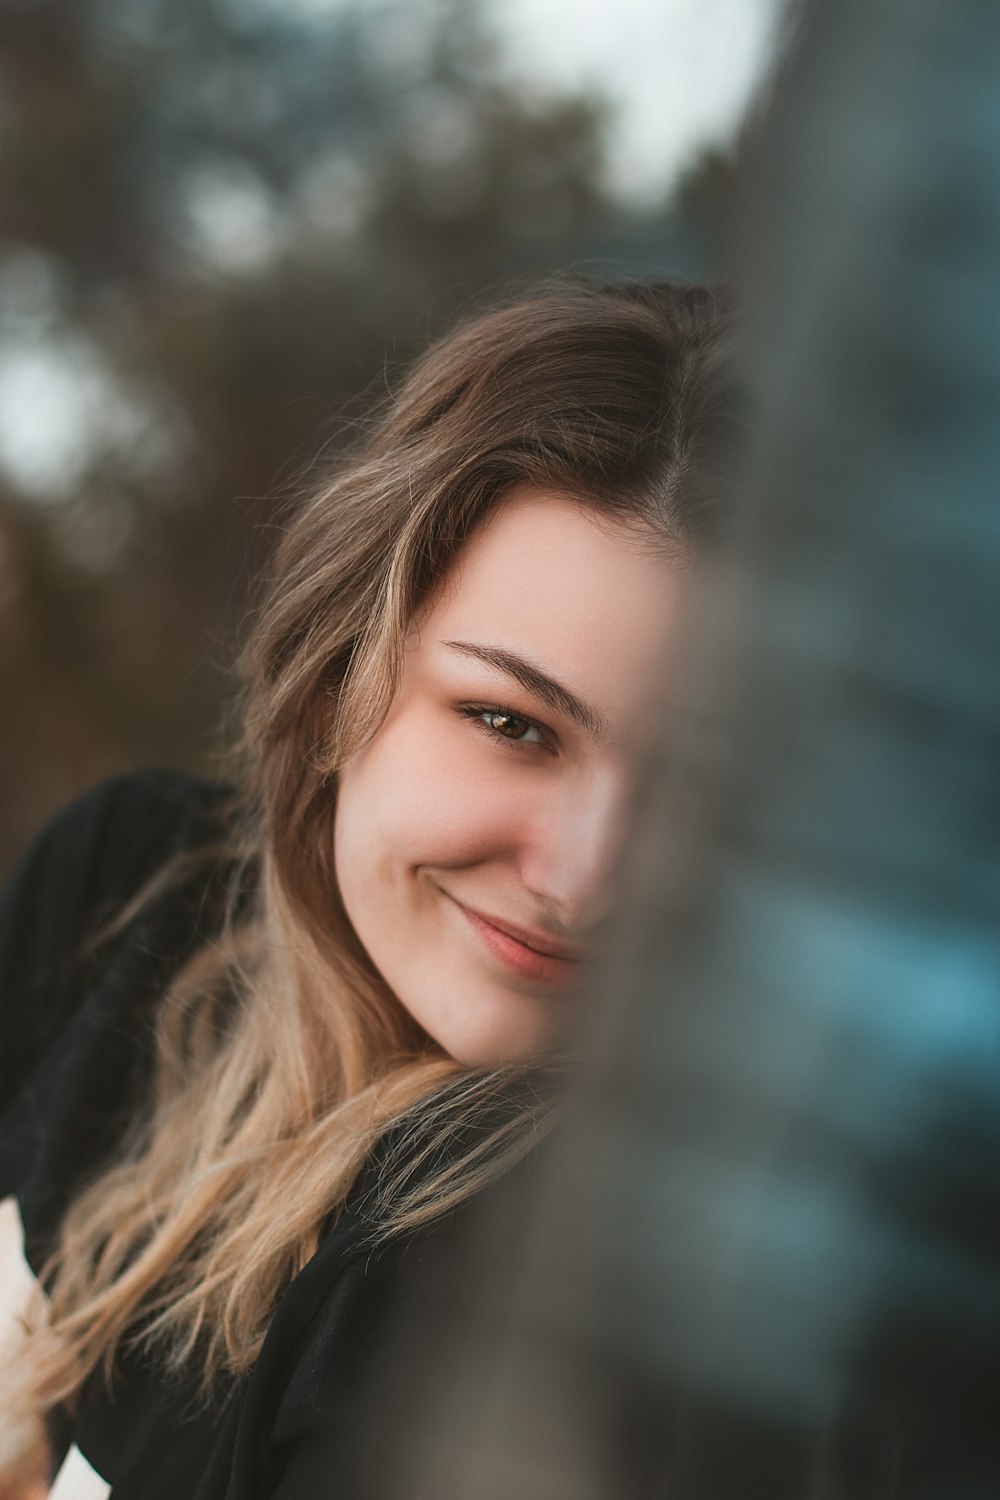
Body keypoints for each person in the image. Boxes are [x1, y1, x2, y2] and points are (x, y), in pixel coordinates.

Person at [0, 276, 738, 1500]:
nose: (586, 879)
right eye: (510, 722)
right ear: (339, 667)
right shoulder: (123, 891)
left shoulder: (535, 1274)